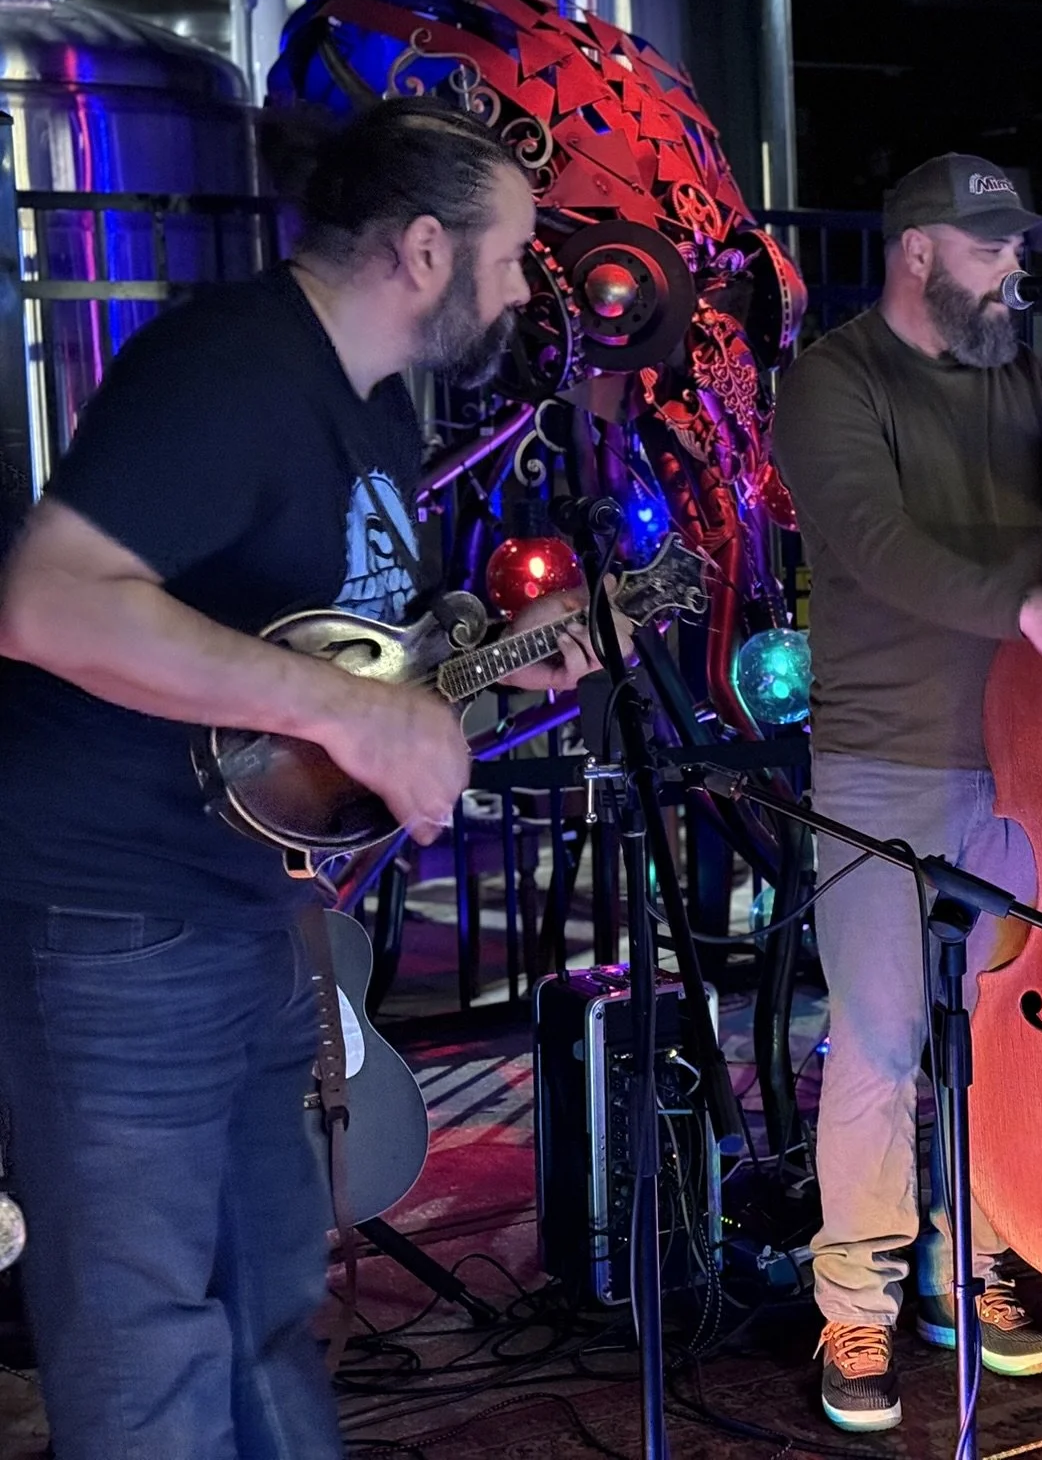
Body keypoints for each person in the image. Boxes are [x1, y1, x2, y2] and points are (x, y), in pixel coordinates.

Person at [0, 97, 597, 1458]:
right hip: (112, 919)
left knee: (270, 1307)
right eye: (510, 255)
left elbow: (322, 693)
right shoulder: (233, 371)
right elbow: (44, 605)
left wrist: (488, 679)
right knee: (148, 1338)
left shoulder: (374, 418)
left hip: (248, 914)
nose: (522, 289)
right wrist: (343, 703)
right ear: (428, 251)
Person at [772, 152, 1042, 1433]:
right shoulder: (832, 381)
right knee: (885, 1045)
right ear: (917, 254)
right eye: (991, 245)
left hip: (1022, 762)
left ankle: (973, 1271)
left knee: (1001, 1044)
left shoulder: (1020, 374)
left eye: (1016, 245)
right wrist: (1031, 607)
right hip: (882, 758)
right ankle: (856, 1301)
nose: (1015, 264)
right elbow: (876, 544)